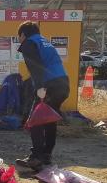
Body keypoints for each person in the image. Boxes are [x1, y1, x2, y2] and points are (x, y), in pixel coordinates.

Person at [15, 21, 70, 170]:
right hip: (63, 83)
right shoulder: (44, 42)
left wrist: (40, 88)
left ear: (23, 34)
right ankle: (46, 155)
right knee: (49, 119)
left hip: (48, 84)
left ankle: (36, 157)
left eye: (19, 36)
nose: (19, 39)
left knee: (36, 120)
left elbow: (36, 67)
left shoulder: (29, 43)